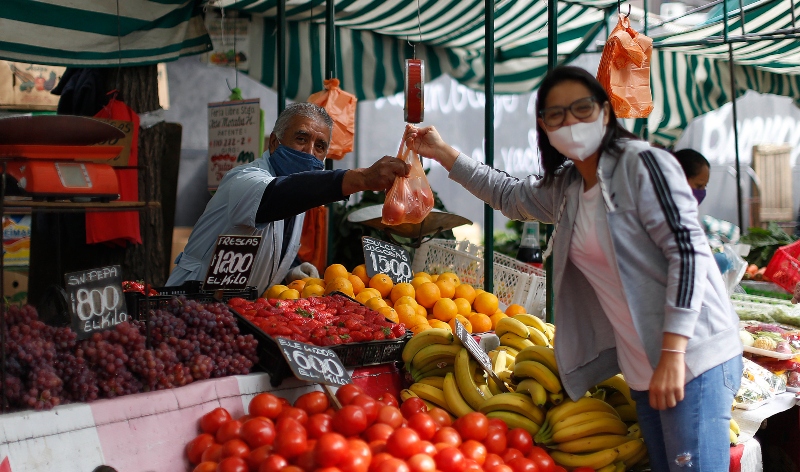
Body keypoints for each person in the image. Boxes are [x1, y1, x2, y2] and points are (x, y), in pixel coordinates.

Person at [404, 66, 742, 471]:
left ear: (604, 112)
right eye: (556, 114)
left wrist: (673, 353)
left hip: (691, 357)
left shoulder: (643, 166)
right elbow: (509, 195)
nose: (571, 122)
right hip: (641, 368)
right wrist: (444, 153)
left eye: (582, 108)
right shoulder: (569, 187)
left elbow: (687, 254)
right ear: (544, 127)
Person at [168, 103, 409, 294]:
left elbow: (271, 242)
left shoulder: (300, 195)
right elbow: (276, 196)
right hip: (189, 301)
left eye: (320, 146)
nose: (309, 152)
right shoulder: (244, 180)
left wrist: (292, 271)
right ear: (274, 142)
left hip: (236, 316)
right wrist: (361, 179)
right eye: (301, 139)